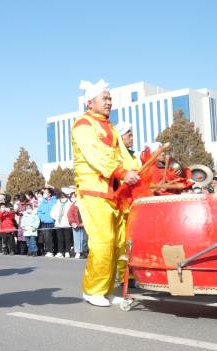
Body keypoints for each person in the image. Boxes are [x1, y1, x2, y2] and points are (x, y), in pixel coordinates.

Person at [72, 79, 139, 307]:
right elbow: (96, 155)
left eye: (110, 98)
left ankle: (106, 290)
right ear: (91, 103)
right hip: (93, 191)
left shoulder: (110, 127)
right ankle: (92, 290)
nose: (110, 102)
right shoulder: (83, 125)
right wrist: (121, 172)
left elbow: (125, 156)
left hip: (115, 194)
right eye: (105, 98)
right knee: (103, 241)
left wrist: (137, 172)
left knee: (118, 243)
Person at [50, 189, 73, 258]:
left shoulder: (69, 203)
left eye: (64, 196)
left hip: (67, 223)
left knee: (67, 239)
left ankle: (67, 252)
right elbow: (53, 213)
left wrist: (69, 220)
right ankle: (60, 251)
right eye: (61, 196)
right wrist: (56, 218)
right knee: (60, 239)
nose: (62, 198)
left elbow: (70, 213)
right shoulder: (57, 203)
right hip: (59, 224)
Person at [37, 187, 56, 257]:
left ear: (50, 193)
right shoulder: (43, 201)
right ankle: (48, 250)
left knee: (49, 237)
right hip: (44, 222)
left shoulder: (54, 200)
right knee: (46, 237)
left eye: (46, 192)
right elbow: (39, 211)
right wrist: (42, 218)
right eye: (44, 192)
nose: (44, 194)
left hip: (52, 221)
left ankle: (51, 251)